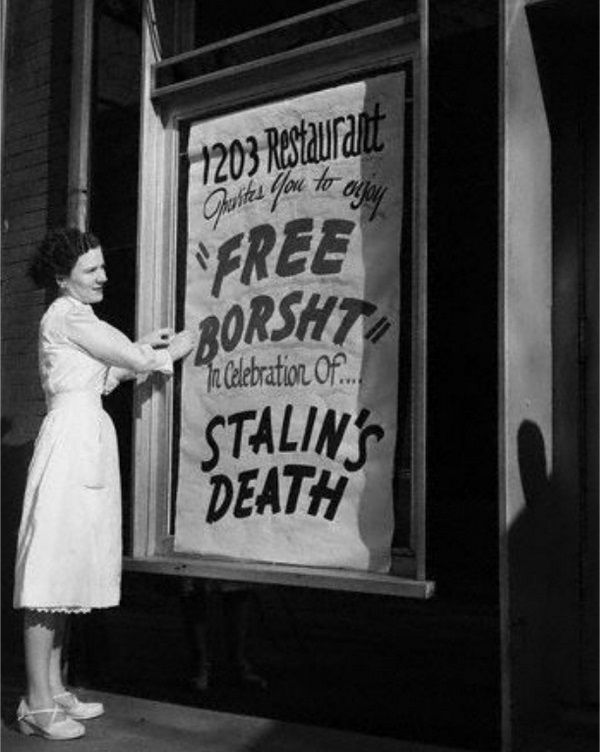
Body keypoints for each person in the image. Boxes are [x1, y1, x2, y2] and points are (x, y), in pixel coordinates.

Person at [12, 227, 195, 740]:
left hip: (85, 439)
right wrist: (170, 349)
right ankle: (36, 703)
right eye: (91, 269)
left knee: (69, 568)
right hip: (70, 445)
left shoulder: (79, 320)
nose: (103, 276)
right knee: (50, 572)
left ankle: (53, 688)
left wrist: (142, 349)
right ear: (62, 277)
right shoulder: (67, 315)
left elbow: (107, 374)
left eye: (102, 266)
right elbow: (131, 359)